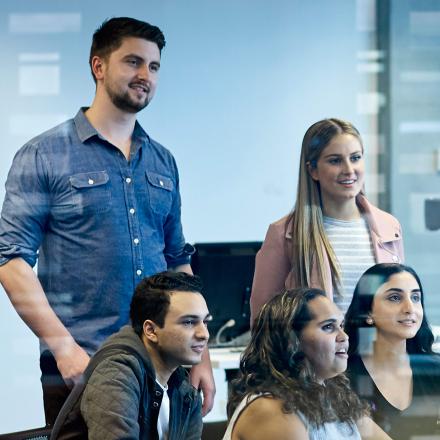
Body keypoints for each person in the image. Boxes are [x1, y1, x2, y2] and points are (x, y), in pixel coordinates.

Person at [0, 17, 214, 425]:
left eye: (153, 67)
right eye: (132, 62)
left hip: (163, 363)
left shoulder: (162, 160)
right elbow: (10, 261)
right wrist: (62, 348)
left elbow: (177, 261)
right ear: (98, 66)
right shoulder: (44, 155)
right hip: (84, 361)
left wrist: (199, 353)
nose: (144, 76)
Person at [250, 118, 404, 322]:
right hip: (316, 354)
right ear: (313, 170)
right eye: (335, 160)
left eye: (355, 158)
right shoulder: (284, 233)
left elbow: (401, 302)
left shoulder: (389, 227)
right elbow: (263, 321)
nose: (349, 169)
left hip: (377, 352)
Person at [51, 271, 210, 440]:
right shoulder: (115, 374)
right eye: (189, 322)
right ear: (150, 330)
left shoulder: (183, 389)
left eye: (205, 322)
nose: (204, 334)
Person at [224, 287, 390, 440]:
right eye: (328, 327)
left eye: (341, 326)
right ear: (291, 341)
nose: (344, 336)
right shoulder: (271, 409)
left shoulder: (335, 396)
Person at [345, 263, 440, 440]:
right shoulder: (343, 379)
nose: (410, 308)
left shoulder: (435, 369)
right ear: (368, 312)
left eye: (416, 298)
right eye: (395, 298)